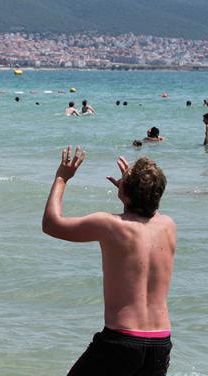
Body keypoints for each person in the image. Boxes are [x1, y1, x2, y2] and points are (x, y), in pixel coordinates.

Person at [42, 147, 175, 376]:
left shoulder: (109, 224)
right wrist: (131, 192)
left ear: (125, 194)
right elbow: (145, 213)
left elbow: (51, 224)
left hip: (121, 341)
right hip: (160, 343)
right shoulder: (168, 226)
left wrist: (62, 177)